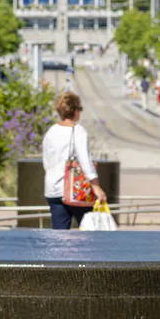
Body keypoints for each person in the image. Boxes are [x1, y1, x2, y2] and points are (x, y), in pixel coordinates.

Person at [42, 91, 107, 230]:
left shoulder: (51, 132)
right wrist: (95, 186)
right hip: (75, 191)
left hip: (52, 190)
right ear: (75, 111)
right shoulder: (77, 131)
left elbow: (46, 161)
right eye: (80, 109)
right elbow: (85, 160)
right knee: (89, 231)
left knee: (59, 237)